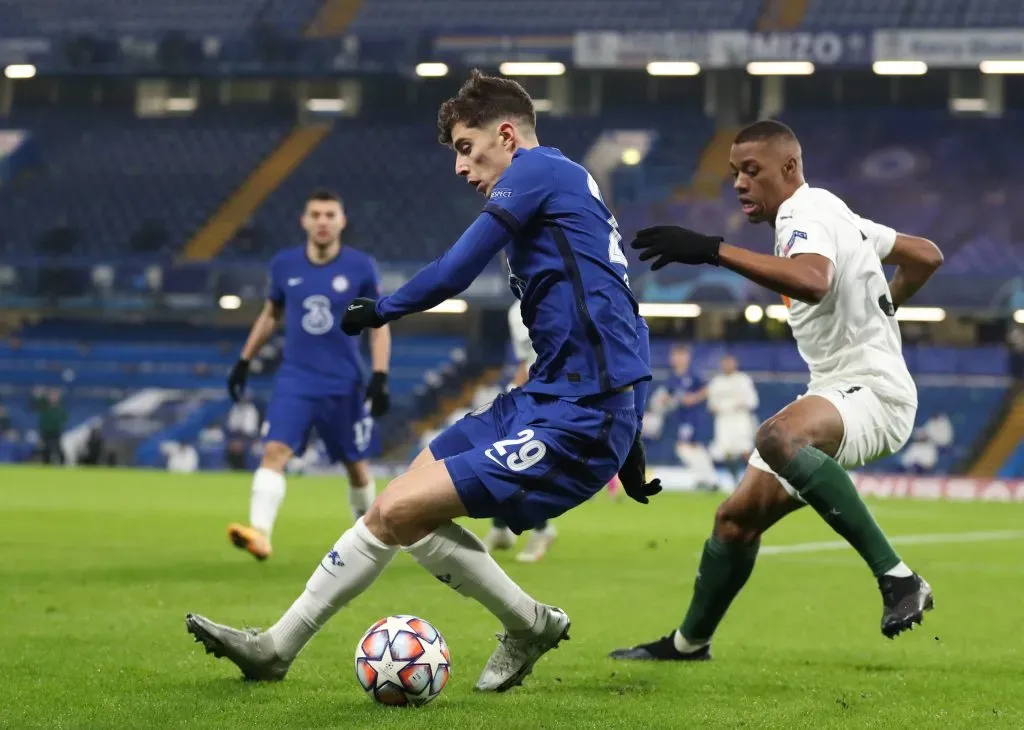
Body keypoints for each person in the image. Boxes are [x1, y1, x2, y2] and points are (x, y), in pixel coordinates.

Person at [186, 69, 659, 692]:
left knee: (395, 509)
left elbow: (456, 268)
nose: (461, 168)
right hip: (549, 395)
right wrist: (632, 448)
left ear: (508, 135)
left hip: (581, 410)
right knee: (407, 500)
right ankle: (530, 624)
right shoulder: (569, 184)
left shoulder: (538, 173)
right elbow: (621, 315)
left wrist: (381, 308)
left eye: (467, 148)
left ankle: (277, 647)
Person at [611, 119, 944, 661]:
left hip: (872, 392)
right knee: (735, 519)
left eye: (752, 170)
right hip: (844, 387)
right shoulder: (836, 213)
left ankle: (899, 579)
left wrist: (712, 250)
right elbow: (926, 255)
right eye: (734, 172)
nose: (739, 183)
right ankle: (688, 643)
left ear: (789, 168)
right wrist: (885, 307)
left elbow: (812, 281)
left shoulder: (802, 213)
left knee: (778, 437)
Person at [223, 188, 392, 561]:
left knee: (356, 465)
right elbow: (271, 315)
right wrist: (244, 361)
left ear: (342, 221)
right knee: (274, 451)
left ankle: (372, 542)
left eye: (330, 215)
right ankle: (261, 534)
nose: (322, 222)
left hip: (344, 383)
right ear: (304, 220)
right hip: (295, 380)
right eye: (315, 214)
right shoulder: (284, 265)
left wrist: (380, 375)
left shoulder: (361, 267)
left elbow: (378, 324)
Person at [484, 300, 559, 562]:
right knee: (499, 456)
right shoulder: (515, 310)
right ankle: (501, 527)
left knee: (527, 463)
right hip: (533, 391)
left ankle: (541, 528)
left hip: (561, 393)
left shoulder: (560, 298)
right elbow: (527, 360)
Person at [706, 353, 758, 486]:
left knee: (745, 451)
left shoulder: (743, 380)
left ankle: (753, 479)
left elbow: (752, 402)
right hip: (723, 422)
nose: (727, 365)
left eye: (730, 362)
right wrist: (726, 406)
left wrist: (734, 404)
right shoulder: (716, 382)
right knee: (726, 453)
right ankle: (735, 481)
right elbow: (711, 406)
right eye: (725, 363)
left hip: (740, 420)